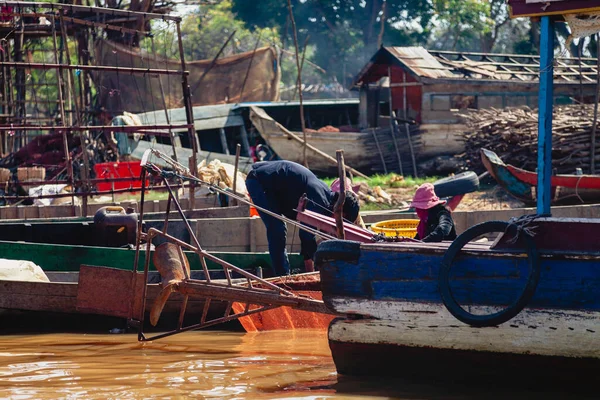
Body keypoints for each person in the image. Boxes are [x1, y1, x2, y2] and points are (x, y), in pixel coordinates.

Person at [245, 160, 360, 276]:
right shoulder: (320, 198)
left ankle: (284, 272)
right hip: (259, 181)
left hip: (269, 184)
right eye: (340, 219)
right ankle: (282, 276)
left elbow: (309, 232)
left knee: (279, 228)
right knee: (277, 229)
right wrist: (315, 265)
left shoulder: (325, 196)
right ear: (340, 211)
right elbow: (306, 234)